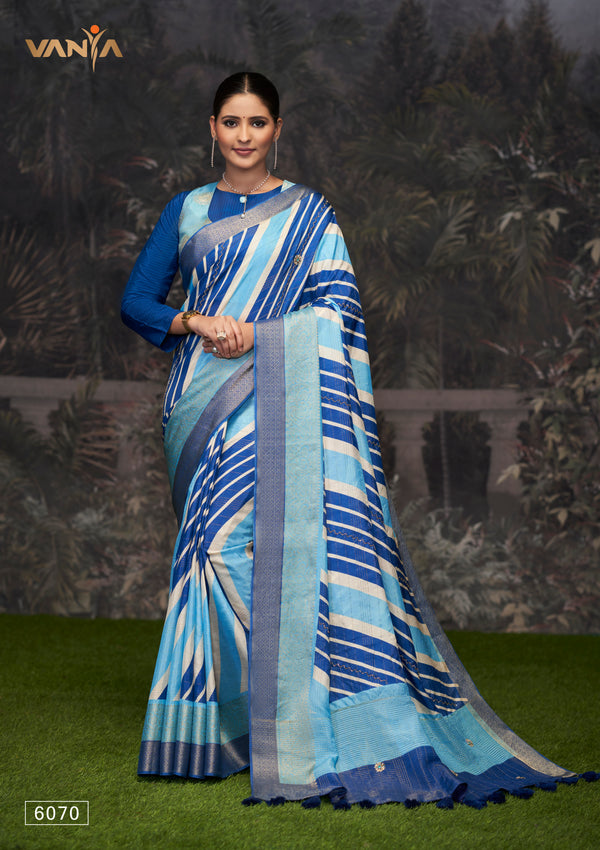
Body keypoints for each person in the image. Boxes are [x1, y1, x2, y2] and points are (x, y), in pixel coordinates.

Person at [121, 71, 587, 808]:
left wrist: (265, 336)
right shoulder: (187, 211)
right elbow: (137, 302)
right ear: (212, 128)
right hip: (202, 406)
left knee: (259, 552)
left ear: (277, 129)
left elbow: (338, 309)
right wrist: (193, 321)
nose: (245, 136)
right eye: (232, 122)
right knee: (208, 555)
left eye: (258, 123)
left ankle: (294, 717)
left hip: (280, 403)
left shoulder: (308, 214)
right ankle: (215, 731)